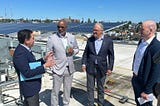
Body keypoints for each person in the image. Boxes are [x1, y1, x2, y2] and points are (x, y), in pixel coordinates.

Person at [13, 29, 55, 106]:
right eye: (33, 38)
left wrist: (44, 59)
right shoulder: (20, 53)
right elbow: (27, 73)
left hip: (31, 87)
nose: (34, 40)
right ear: (26, 40)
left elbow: (31, 64)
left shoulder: (24, 50)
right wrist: (45, 66)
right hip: (29, 89)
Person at [47, 19, 79, 106]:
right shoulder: (52, 38)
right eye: (58, 27)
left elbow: (77, 49)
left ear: (66, 27)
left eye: (62, 27)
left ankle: (66, 104)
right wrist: (52, 66)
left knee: (67, 89)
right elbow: (48, 53)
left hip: (69, 68)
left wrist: (73, 51)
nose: (60, 29)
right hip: (57, 68)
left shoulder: (72, 37)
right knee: (55, 91)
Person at [81, 23, 114, 106]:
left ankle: (100, 103)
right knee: (90, 88)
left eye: (96, 30)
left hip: (102, 68)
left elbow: (111, 56)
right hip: (90, 68)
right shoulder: (90, 40)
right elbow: (86, 53)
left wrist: (110, 68)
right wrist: (83, 64)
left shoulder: (108, 41)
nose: (94, 32)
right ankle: (90, 103)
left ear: (101, 31)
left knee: (100, 88)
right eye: (93, 30)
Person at [132, 20, 160, 106]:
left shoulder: (157, 47)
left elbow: (156, 71)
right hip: (136, 80)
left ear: (150, 30)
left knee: (145, 105)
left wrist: (147, 90)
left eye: (142, 29)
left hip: (145, 84)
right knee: (138, 102)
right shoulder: (141, 41)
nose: (140, 31)